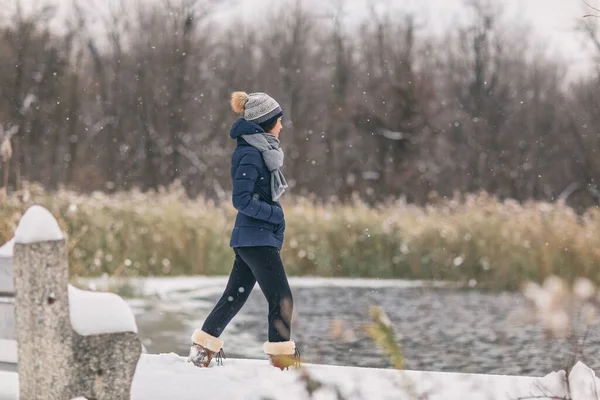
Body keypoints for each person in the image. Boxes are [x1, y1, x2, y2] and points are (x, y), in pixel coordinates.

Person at [187, 91, 299, 370]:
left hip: (254, 237)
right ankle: (281, 361)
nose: (282, 126)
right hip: (255, 238)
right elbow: (242, 200)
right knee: (281, 298)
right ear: (266, 122)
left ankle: (202, 350)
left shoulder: (260, 150)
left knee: (234, 296)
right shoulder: (250, 153)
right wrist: (275, 213)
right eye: (279, 120)